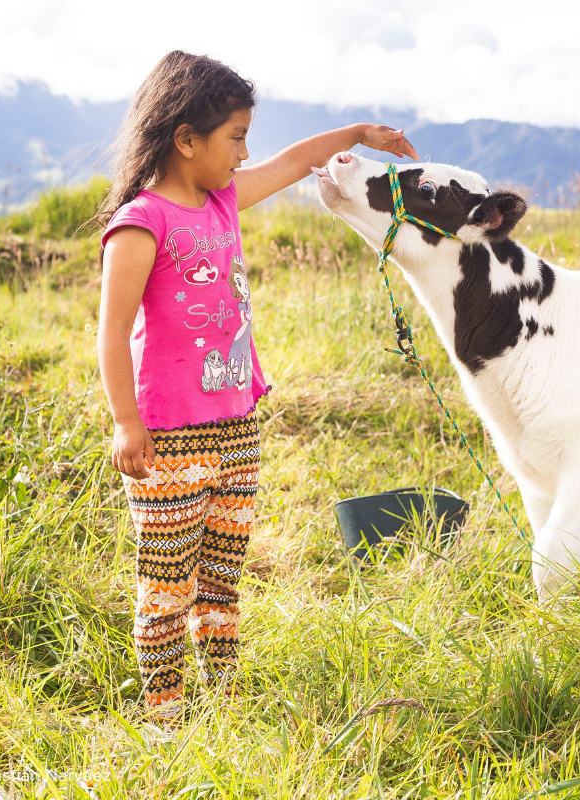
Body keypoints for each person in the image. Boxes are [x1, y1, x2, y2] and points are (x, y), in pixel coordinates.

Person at [95, 50, 418, 722]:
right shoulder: (141, 222)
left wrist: (358, 135)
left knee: (221, 577)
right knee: (166, 585)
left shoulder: (221, 201)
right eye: (235, 138)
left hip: (236, 425)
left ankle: (226, 698)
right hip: (168, 440)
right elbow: (112, 333)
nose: (245, 153)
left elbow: (297, 163)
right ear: (186, 140)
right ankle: (166, 715)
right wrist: (127, 423)